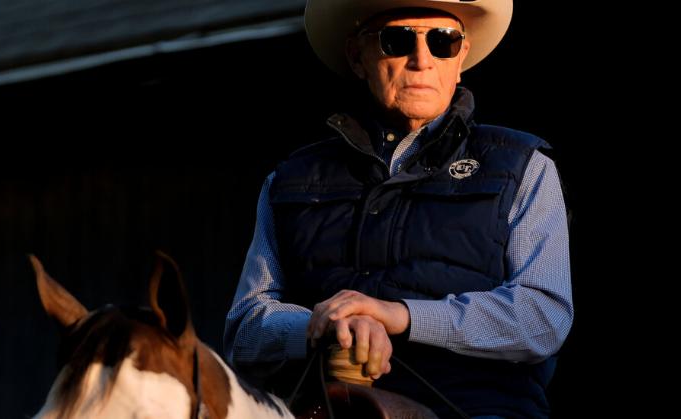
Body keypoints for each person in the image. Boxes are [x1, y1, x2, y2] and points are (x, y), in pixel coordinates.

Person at [224, 0, 573, 417]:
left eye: (443, 41)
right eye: (398, 39)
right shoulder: (289, 179)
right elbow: (244, 330)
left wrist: (400, 315)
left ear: (461, 58)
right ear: (358, 57)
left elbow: (542, 318)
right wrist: (325, 326)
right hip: (323, 406)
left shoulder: (524, 165)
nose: (421, 59)